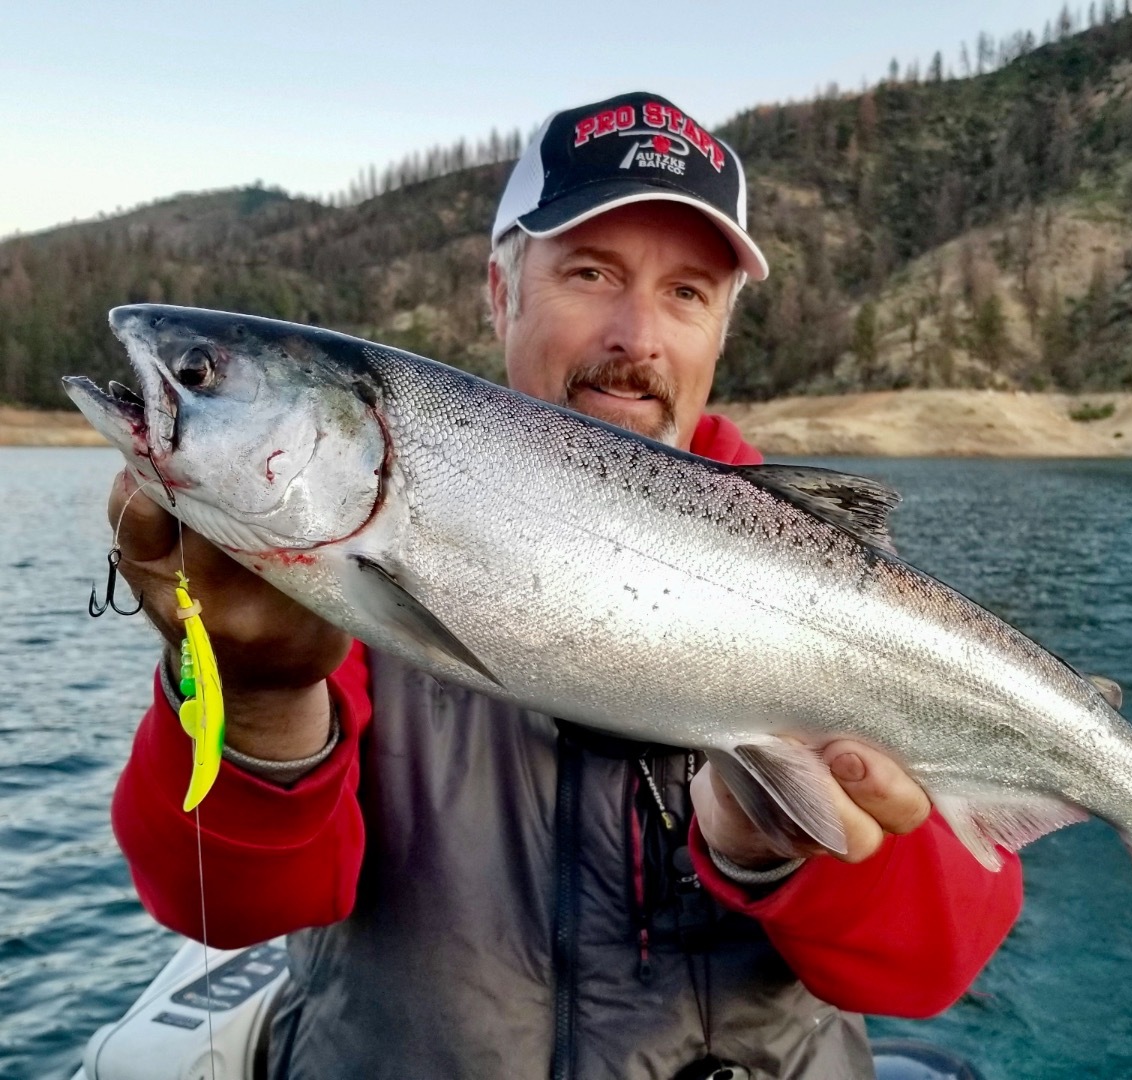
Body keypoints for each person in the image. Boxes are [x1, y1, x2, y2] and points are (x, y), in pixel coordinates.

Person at [105, 91, 1023, 1079]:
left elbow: (929, 971)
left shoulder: (834, 591)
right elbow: (223, 908)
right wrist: (255, 699)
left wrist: (775, 846)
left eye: (687, 294)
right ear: (500, 291)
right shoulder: (343, 552)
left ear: (721, 331)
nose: (638, 336)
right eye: (590, 273)